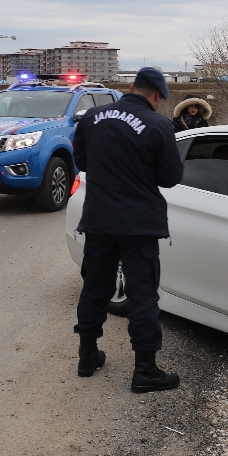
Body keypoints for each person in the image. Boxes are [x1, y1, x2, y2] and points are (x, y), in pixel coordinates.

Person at [72, 66, 185, 392]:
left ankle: (87, 356)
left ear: (132, 87)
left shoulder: (92, 118)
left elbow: (82, 161)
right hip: (138, 224)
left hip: (99, 220)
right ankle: (145, 370)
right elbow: (170, 177)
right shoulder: (158, 125)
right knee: (143, 294)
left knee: (95, 288)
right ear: (156, 95)